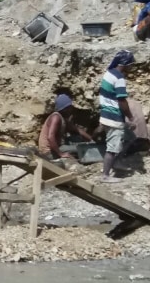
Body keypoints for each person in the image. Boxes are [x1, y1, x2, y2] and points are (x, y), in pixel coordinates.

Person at [98, 50, 135, 183]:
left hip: (106, 114)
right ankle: (105, 175)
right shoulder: (119, 78)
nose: (131, 68)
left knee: (129, 137)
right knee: (112, 148)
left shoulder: (108, 73)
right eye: (131, 64)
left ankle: (117, 162)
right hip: (113, 118)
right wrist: (130, 117)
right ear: (125, 64)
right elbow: (122, 101)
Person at [38, 93, 93, 160]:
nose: (71, 109)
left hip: (58, 146)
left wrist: (92, 140)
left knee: (77, 138)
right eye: (69, 107)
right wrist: (60, 154)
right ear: (65, 108)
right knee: (80, 149)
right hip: (48, 152)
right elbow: (50, 137)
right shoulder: (56, 118)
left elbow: (77, 130)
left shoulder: (63, 118)